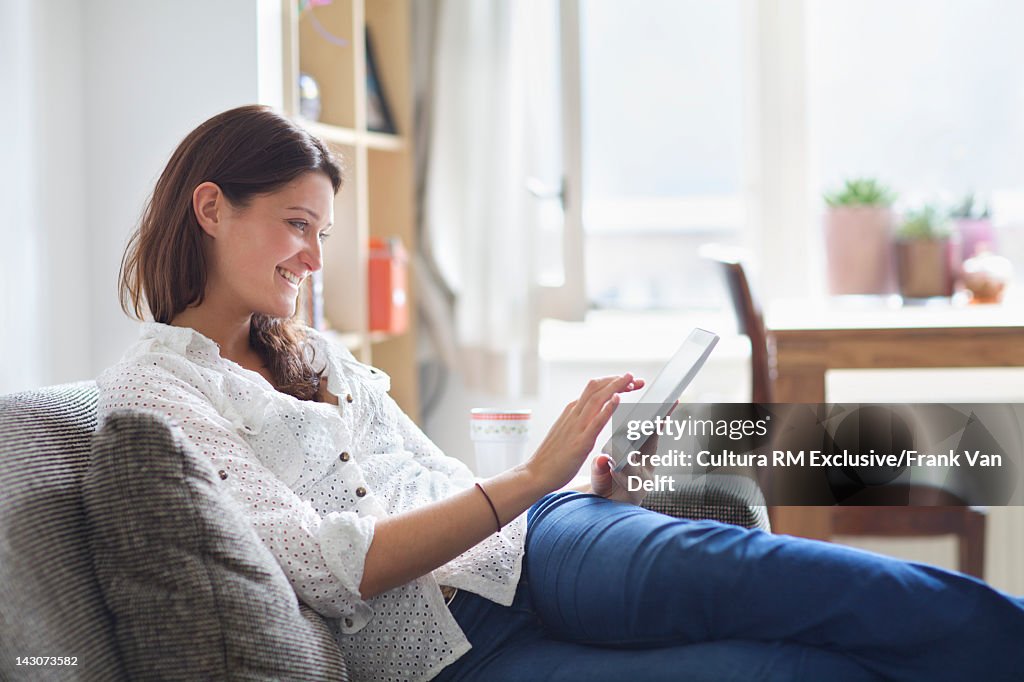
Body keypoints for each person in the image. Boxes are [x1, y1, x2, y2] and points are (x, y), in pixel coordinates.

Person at [98, 105, 1024, 682]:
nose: (313, 256)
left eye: (324, 231)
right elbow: (331, 565)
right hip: (458, 653)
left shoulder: (315, 352)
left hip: (546, 547)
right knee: (789, 669)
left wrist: (568, 489)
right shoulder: (157, 398)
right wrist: (537, 473)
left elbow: (431, 472)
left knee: (818, 586)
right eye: (296, 225)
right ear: (211, 207)